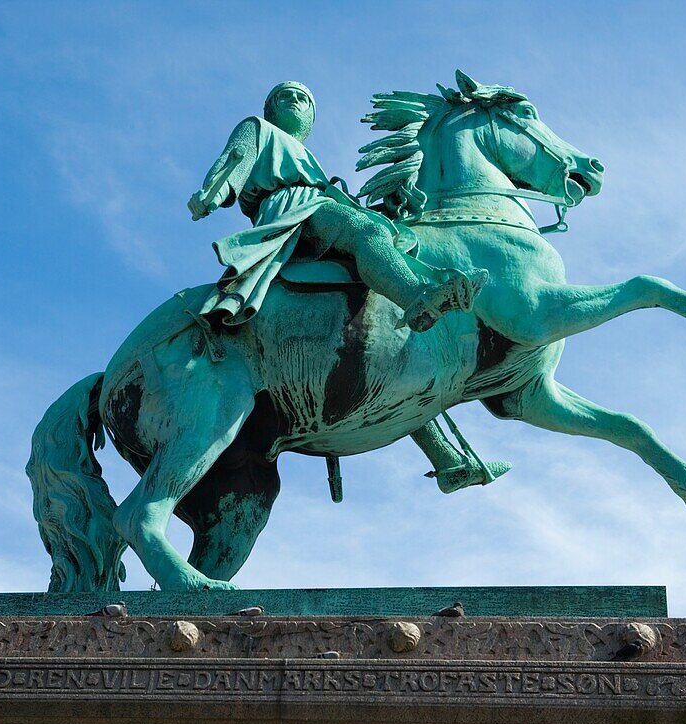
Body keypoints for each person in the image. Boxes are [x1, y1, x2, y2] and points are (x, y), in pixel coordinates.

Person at [188, 81, 508, 491]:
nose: (295, 100)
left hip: (320, 210)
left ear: (310, 120)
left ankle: (448, 461)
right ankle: (418, 297)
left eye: (304, 98)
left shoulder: (310, 159)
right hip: (293, 214)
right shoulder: (259, 130)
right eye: (284, 95)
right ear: (268, 108)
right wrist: (211, 193)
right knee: (367, 233)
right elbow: (235, 159)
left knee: (382, 302)